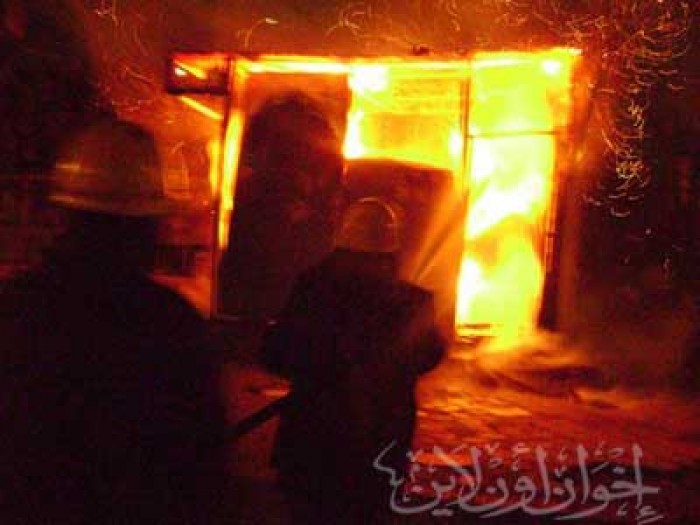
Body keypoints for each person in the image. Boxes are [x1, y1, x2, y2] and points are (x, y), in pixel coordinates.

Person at [0, 118, 229, 524]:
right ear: (147, 226)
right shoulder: (172, 328)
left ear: (63, 216)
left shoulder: (15, 310)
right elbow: (201, 473)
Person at [262, 197, 446, 523]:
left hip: (312, 447)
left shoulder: (312, 292)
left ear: (342, 241)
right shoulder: (411, 303)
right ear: (392, 248)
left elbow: (276, 354)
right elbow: (430, 354)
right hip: (380, 448)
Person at [218, 93, 344, 321]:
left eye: (310, 159)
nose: (296, 171)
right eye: (286, 155)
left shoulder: (318, 223)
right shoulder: (236, 216)